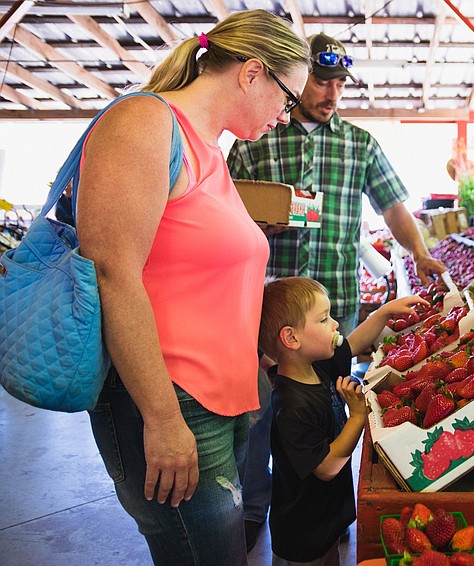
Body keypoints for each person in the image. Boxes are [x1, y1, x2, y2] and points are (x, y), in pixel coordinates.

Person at [75, 10, 310, 566]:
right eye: (287, 97)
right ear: (252, 72)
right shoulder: (144, 123)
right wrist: (160, 419)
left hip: (215, 400)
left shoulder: (208, 146)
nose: (286, 115)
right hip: (170, 398)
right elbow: (114, 272)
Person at [227, 32, 448, 548]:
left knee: (328, 405)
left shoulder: (360, 144)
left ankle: (330, 507)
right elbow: (227, 206)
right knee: (259, 409)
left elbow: (393, 205)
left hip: (334, 309)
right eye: (322, 82)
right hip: (266, 307)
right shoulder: (256, 136)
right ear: (300, 79)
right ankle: (256, 507)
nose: (330, 93)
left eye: (339, 83)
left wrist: (417, 252)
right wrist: (257, 225)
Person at [258, 277, 428, 566]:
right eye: (324, 319)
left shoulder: (315, 366)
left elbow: (352, 344)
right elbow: (326, 467)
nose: (335, 324)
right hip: (302, 534)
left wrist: (384, 313)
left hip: (325, 517)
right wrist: (358, 417)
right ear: (291, 338)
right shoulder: (292, 404)